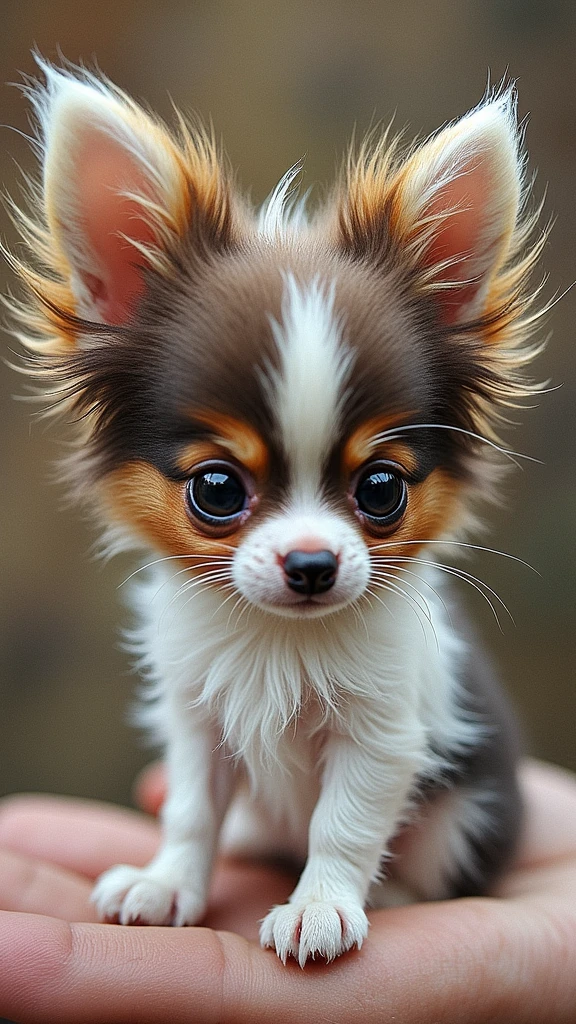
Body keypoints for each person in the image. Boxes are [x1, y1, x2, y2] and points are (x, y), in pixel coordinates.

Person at [0, 759, 574, 1023]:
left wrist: (334, 878)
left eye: (376, 505)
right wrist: (181, 860)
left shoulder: (401, 614)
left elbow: (381, 744)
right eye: (222, 505)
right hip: (282, 827)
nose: (310, 550)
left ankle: (352, 883)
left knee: (455, 826)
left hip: (430, 834)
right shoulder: (183, 606)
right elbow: (201, 737)